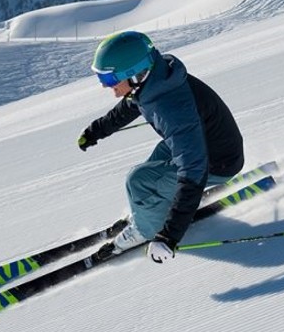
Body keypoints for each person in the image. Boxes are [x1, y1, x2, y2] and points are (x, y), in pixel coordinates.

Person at [77, 31, 245, 263]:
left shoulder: (171, 108)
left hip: (218, 162)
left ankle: (145, 230)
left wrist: (168, 236)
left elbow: (193, 171)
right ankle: (149, 212)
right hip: (207, 143)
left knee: (138, 181)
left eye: (109, 80)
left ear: (134, 74)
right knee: (154, 164)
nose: (108, 87)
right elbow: (130, 105)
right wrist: (96, 130)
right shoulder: (156, 80)